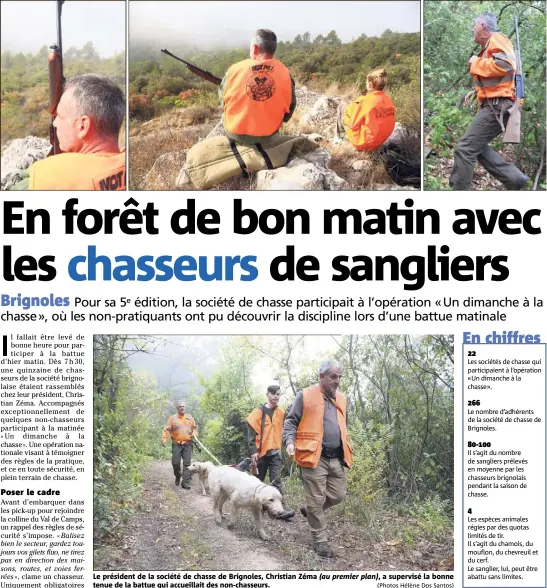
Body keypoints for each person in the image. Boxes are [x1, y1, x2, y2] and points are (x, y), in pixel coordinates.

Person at [449, 11, 530, 190]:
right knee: (474, 147)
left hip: (499, 105)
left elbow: (507, 65)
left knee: (466, 148)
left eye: (474, 25)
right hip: (496, 104)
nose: (472, 29)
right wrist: (475, 92)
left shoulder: (497, 38)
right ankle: (515, 179)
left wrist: (475, 62)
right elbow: (497, 77)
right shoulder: (490, 46)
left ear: (482, 26)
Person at [283, 360, 353, 559]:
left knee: (338, 495)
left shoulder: (343, 398)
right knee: (315, 499)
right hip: (313, 457)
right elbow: (290, 421)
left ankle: (310, 510)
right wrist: (289, 441)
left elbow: (343, 425)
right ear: (321, 376)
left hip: (336, 457)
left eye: (339, 377)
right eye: (333, 376)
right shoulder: (305, 395)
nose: (337, 381)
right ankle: (320, 541)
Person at [11, 74, 126, 190]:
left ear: (82, 126)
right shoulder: (131, 167)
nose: (55, 123)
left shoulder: (42, 180)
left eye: (60, 116)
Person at [219, 29, 296, 146]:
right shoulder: (285, 73)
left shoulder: (234, 70)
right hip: (269, 135)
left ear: (254, 48)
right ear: (273, 49)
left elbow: (222, 101)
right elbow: (289, 111)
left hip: (236, 135)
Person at [246, 384, 295, 520]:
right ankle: (257, 509)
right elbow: (250, 434)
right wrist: (253, 451)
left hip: (275, 453)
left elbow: (288, 428)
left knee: (276, 481)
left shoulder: (281, 413)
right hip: (260, 454)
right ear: (267, 394)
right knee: (258, 482)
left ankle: (280, 512)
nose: (275, 396)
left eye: (278, 394)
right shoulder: (257, 412)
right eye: (273, 393)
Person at [336, 68, 396, 151]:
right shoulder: (388, 100)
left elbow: (352, 125)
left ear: (370, 84)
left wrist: (347, 114)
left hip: (363, 144)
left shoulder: (363, 101)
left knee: (342, 105)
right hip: (379, 141)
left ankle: (341, 137)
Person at [162, 400, 198, 490]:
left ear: (185, 407)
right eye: (180, 406)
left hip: (188, 444)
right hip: (176, 444)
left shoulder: (190, 418)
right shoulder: (173, 418)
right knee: (175, 463)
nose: (182, 408)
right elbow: (167, 430)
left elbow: (195, 428)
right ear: (177, 408)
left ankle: (185, 482)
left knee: (187, 464)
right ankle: (178, 475)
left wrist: (194, 433)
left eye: (183, 406)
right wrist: (164, 439)